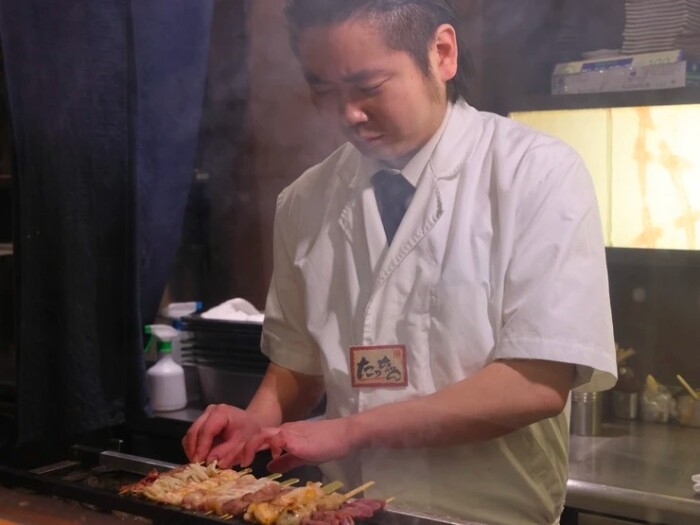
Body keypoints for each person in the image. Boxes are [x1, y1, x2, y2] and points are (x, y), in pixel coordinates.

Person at [183, 1, 617, 523]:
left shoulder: (537, 174)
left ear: (442, 53)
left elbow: (535, 383)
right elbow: (297, 363)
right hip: (347, 512)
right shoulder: (305, 201)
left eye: (368, 87)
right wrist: (257, 421)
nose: (348, 114)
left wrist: (347, 431)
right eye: (323, 90)